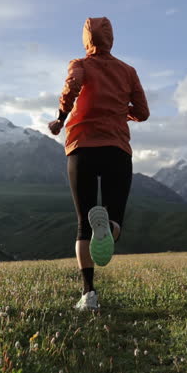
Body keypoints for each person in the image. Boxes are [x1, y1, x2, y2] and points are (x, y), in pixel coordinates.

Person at [48, 16, 150, 311]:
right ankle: (109, 228)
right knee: (114, 216)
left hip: (82, 149)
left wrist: (61, 119)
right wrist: (120, 110)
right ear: (111, 39)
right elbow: (142, 112)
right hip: (117, 149)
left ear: (86, 39)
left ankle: (88, 294)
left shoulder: (79, 64)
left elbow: (72, 87)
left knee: (83, 224)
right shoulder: (128, 71)